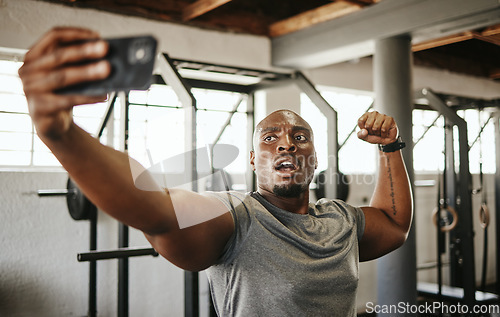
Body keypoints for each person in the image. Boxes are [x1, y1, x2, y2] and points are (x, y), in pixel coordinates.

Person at [19, 27, 413, 316]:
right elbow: (154, 208)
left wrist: (390, 146)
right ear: (254, 162)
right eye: (270, 138)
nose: (286, 143)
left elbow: (395, 224)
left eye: (300, 137)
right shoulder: (236, 217)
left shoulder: (339, 220)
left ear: (314, 159)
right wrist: (62, 135)